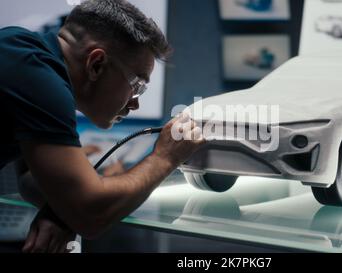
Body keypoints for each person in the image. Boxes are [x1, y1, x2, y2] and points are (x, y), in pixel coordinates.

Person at [0, 0, 204, 252]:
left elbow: (29, 177)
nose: (135, 104)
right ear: (96, 64)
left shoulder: (24, 53)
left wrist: (63, 210)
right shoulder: (35, 76)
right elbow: (90, 213)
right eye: (137, 85)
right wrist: (165, 157)